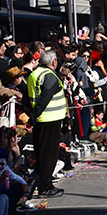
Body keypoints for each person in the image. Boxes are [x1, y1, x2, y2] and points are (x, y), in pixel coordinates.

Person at [24, 49, 67, 198]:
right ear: (54, 62)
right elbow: (45, 99)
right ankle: (45, 187)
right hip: (49, 119)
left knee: (42, 155)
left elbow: (28, 97)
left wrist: (32, 115)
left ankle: (43, 184)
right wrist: (33, 117)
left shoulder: (35, 74)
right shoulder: (49, 76)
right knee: (49, 156)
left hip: (43, 119)